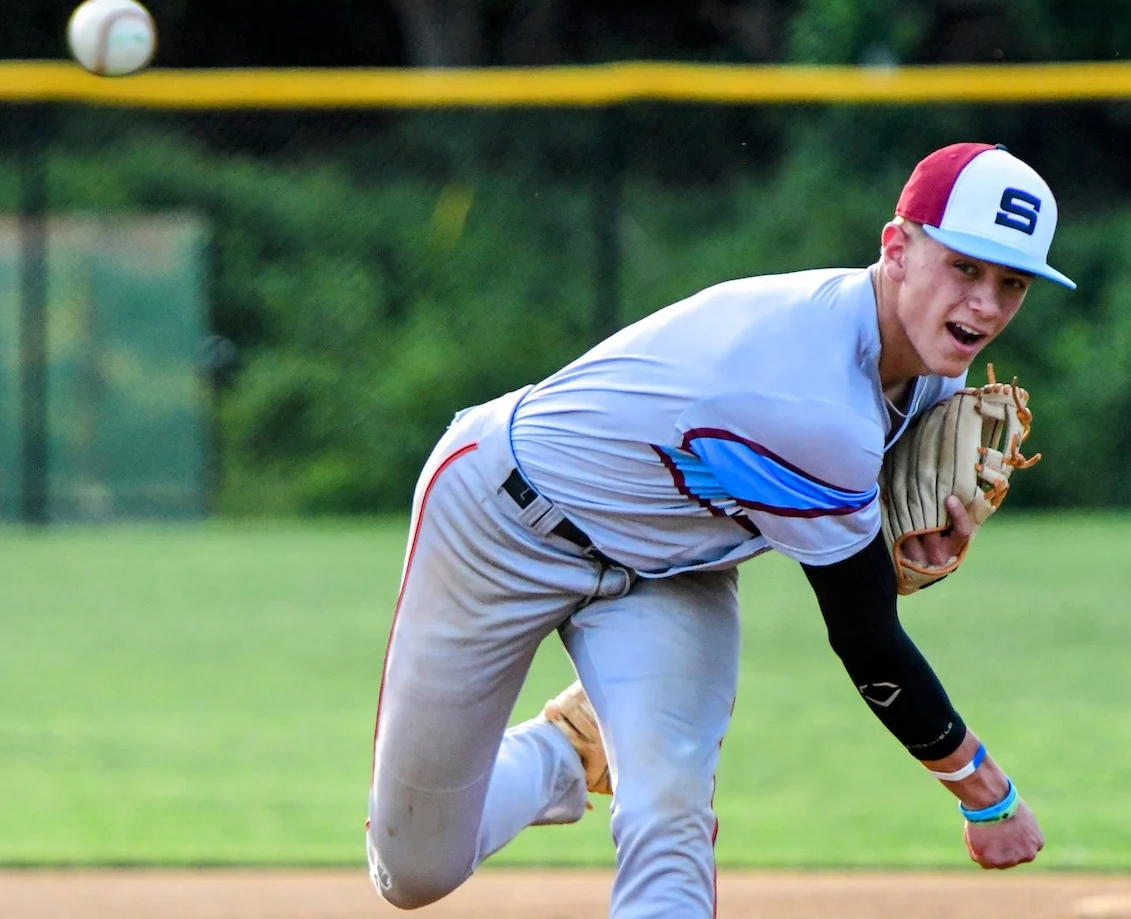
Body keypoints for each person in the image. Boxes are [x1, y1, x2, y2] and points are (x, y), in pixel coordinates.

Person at [366, 142, 1068, 917]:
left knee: (669, 817)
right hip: (499, 522)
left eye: (1012, 283)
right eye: (964, 268)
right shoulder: (813, 397)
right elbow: (865, 635)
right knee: (416, 871)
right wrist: (985, 795)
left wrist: (910, 541)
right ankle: (565, 753)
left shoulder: (936, 365)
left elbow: (865, 542)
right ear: (896, 249)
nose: (984, 306)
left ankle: (589, 748)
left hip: (674, 570)